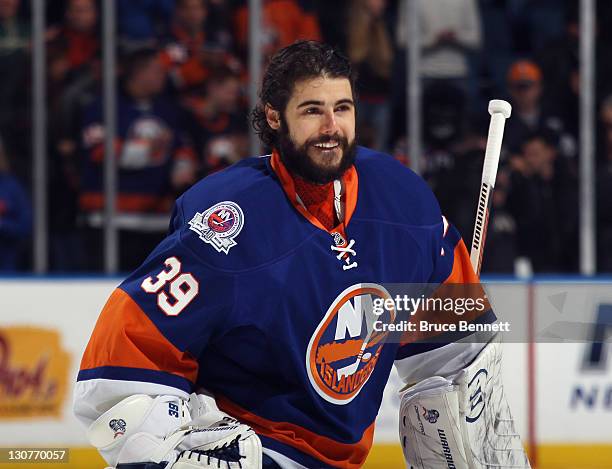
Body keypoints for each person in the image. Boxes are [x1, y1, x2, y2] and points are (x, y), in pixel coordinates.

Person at [74, 41, 529, 469]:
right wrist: (161, 449)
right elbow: (119, 375)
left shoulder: (402, 200)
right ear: (274, 117)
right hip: (254, 450)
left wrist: (469, 412)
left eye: (342, 109)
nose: (331, 127)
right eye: (312, 111)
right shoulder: (229, 221)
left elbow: (455, 363)